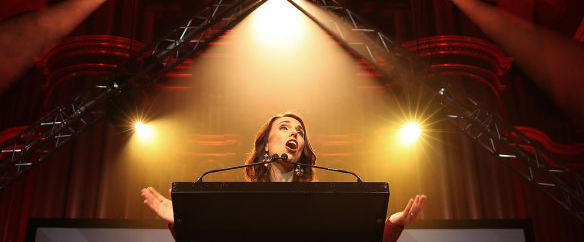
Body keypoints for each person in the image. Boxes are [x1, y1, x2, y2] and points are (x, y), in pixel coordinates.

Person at [142, 112, 426, 241]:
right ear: (266, 143)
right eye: (285, 128)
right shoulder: (235, 204)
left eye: (299, 132)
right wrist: (180, 221)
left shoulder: (322, 204)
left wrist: (392, 224)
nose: (294, 133)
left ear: (302, 151)